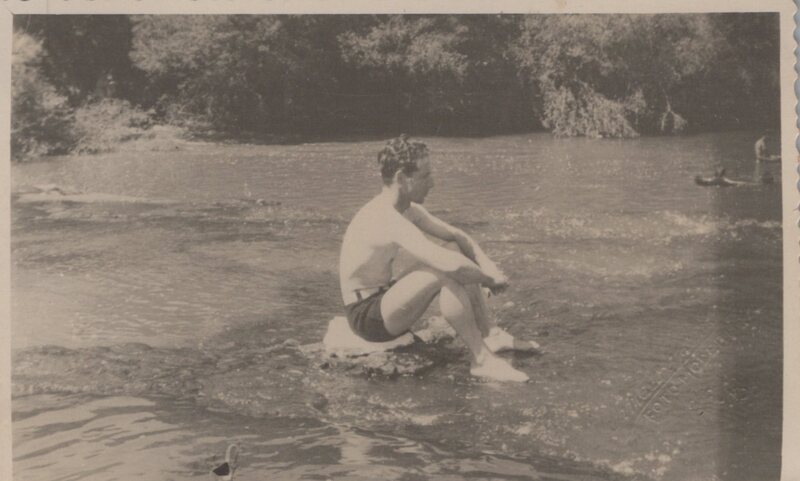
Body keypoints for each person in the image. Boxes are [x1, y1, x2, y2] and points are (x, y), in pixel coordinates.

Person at [338, 135, 537, 382]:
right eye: (425, 176)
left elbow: (457, 236)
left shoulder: (407, 210)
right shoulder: (385, 217)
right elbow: (449, 265)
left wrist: (489, 268)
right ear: (402, 178)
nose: (432, 183)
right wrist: (489, 280)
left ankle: (491, 333)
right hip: (366, 317)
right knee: (444, 270)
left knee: (452, 248)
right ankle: (481, 360)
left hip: (384, 298)